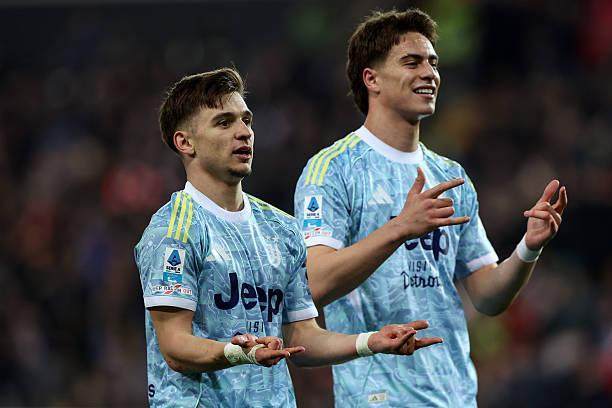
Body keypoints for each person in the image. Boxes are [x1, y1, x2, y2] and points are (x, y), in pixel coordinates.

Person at [294, 8, 568, 407]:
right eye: (412, 62)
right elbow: (314, 284)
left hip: (454, 394)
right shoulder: (332, 170)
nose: (430, 74)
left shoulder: (450, 175)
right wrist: (399, 228)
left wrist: (529, 248)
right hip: (378, 397)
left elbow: (488, 297)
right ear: (372, 79)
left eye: (433, 63)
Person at [134, 68, 443, 407]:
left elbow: (302, 336)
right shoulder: (172, 232)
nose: (244, 132)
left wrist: (370, 342)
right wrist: (238, 353)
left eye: (246, 120)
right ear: (185, 142)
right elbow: (175, 347)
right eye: (224, 123)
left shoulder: (281, 228)